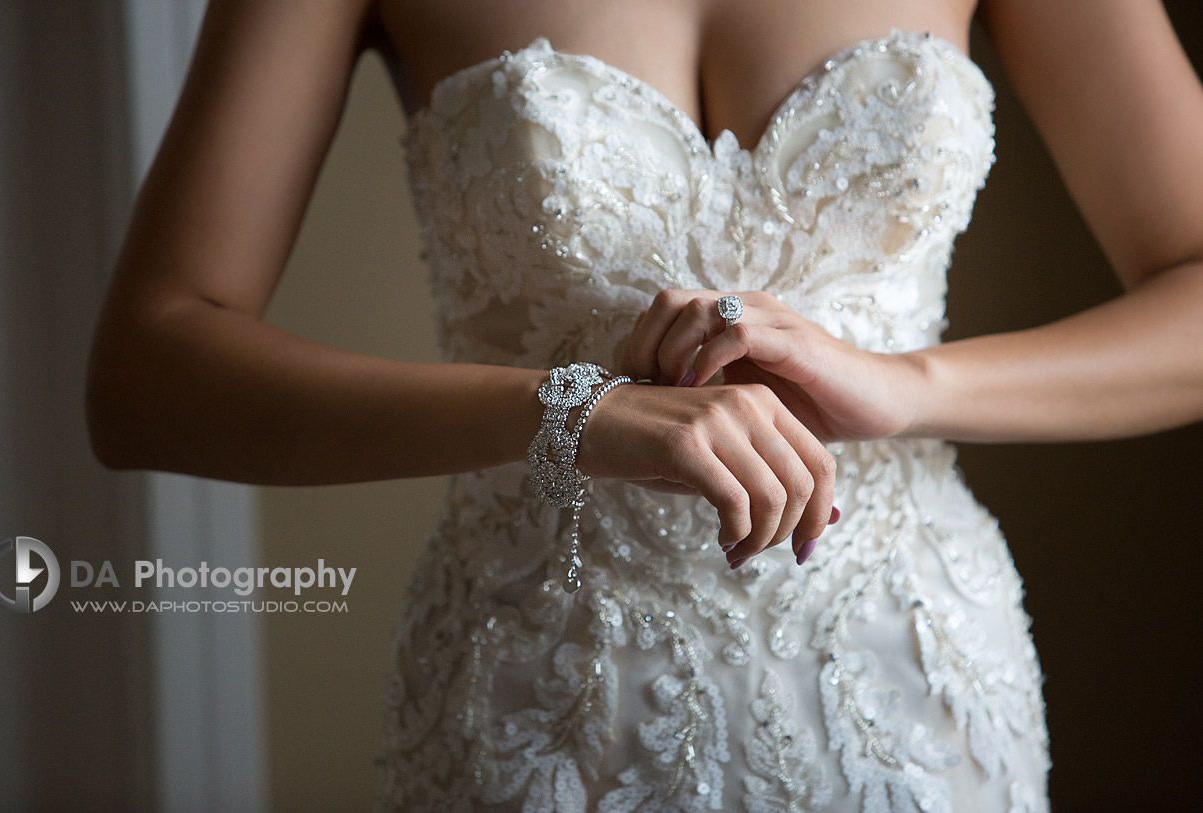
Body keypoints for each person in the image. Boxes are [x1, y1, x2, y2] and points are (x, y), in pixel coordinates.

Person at [84, 0, 1203, 810]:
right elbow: (148, 377)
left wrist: (905, 384)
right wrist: (562, 413)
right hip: (543, 702)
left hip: (905, 695)